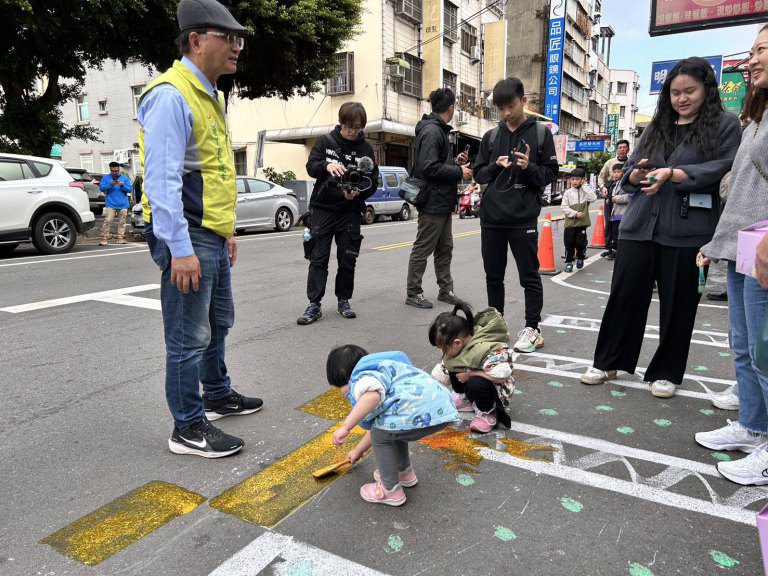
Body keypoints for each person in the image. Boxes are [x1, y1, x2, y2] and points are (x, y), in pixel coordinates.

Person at [137, 0, 263, 458]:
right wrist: (180, 249)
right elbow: (163, 180)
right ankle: (188, 427)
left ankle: (217, 394)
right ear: (195, 40)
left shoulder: (210, 93)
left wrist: (227, 230)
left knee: (217, 323)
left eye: (238, 39)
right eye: (227, 37)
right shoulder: (170, 94)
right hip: (186, 233)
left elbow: (211, 170)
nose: (236, 47)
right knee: (188, 337)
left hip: (210, 231)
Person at [579, 56, 742, 398]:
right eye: (675, 92)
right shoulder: (656, 127)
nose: (681, 99)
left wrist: (680, 175)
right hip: (640, 224)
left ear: (706, 90)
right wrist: (635, 175)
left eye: (690, 91)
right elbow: (627, 176)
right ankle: (609, 360)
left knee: (680, 302)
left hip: (688, 227)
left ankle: (666, 371)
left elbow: (726, 167)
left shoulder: (725, 125)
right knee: (624, 295)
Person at [694, 25, 768, 485]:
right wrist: (718, 242)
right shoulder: (759, 114)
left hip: (764, 245)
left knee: (765, 352)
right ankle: (754, 427)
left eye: (763, 49)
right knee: (744, 347)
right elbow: (743, 189)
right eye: (754, 49)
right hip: (743, 241)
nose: (753, 58)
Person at [472, 77, 559, 353]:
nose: (507, 113)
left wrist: (529, 166)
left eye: (511, 106)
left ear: (524, 101)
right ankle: (496, 328)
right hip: (492, 220)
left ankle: (533, 328)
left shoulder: (541, 134)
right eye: (501, 108)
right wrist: (496, 167)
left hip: (523, 219)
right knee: (493, 276)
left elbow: (550, 174)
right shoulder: (491, 137)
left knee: (529, 276)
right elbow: (479, 174)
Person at [327, 345, 459, 506]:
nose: (341, 392)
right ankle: (403, 472)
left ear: (345, 375)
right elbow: (380, 427)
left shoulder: (362, 377)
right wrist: (357, 451)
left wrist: (345, 427)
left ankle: (389, 489)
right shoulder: (386, 370)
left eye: (340, 386)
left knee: (383, 435)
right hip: (440, 408)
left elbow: (371, 398)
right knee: (390, 430)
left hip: (420, 412)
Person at [297, 102, 379, 324]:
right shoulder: (325, 142)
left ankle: (344, 300)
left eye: (358, 127)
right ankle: (314, 304)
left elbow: (372, 181)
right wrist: (326, 166)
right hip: (323, 209)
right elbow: (311, 166)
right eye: (350, 126)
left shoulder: (366, 150)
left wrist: (357, 193)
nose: (354, 132)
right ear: (342, 123)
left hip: (350, 211)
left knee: (348, 259)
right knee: (318, 258)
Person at [405, 88, 472, 309]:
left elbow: (435, 164)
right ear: (451, 108)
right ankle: (413, 292)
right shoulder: (433, 131)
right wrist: (458, 172)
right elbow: (428, 167)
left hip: (441, 201)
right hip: (432, 201)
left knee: (445, 248)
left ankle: (446, 289)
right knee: (423, 248)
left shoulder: (437, 130)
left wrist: (455, 162)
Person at [429, 300, 514, 434]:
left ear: (457, 342)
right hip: (474, 382)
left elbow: (501, 377)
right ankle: (465, 398)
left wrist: (470, 375)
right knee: (453, 363)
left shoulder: (486, 348)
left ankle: (488, 413)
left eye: (444, 348)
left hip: (497, 389)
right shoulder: (461, 346)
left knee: (476, 381)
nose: (443, 352)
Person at [560, 168, 596, 273]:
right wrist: (575, 213)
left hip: (582, 224)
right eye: (572, 179)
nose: (574, 181)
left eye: (577, 179)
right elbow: (564, 207)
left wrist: (585, 186)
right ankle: (569, 262)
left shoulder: (586, 191)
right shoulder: (568, 193)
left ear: (583, 180)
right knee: (569, 243)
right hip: (570, 224)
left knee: (581, 243)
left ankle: (580, 257)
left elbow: (593, 199)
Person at [599, 140, 630, 257]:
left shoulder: (632, 162)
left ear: (628, 149)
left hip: (624, 195)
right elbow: (601, 177)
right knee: (609, 223)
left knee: (621, 224)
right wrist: (603, 188)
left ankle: (620, 248)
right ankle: (609, 247)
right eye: (620, 147)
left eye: (624, 147)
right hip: (610, 193)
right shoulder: (609, 162)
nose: (622, 149)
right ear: (616, 149)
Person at [98, 162, 133, 245]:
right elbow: (102, 188)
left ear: (119, 169)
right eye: (112, 171)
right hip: (110, 204)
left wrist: (122, 186)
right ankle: (104, 238)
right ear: (110, 170)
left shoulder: (125, 178)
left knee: (122, 222)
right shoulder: (105, 178)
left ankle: (121, 237)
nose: (114, 172)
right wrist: (110, 184)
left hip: (123, 204)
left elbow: (129, 190)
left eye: (116, 171)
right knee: (108, 221)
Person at [603, 163, 632, 260]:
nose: (616, 174)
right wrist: (610, 199)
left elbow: (631, 196)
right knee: (614, 233)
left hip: (623, 214)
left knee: (619, 234)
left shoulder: (626, 183)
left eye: (618, 172)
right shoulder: (615, 184)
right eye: (614, 172)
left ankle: (618, 253)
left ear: (624, 172)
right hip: (615, 214)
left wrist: (617, 199)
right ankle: (614, 250)